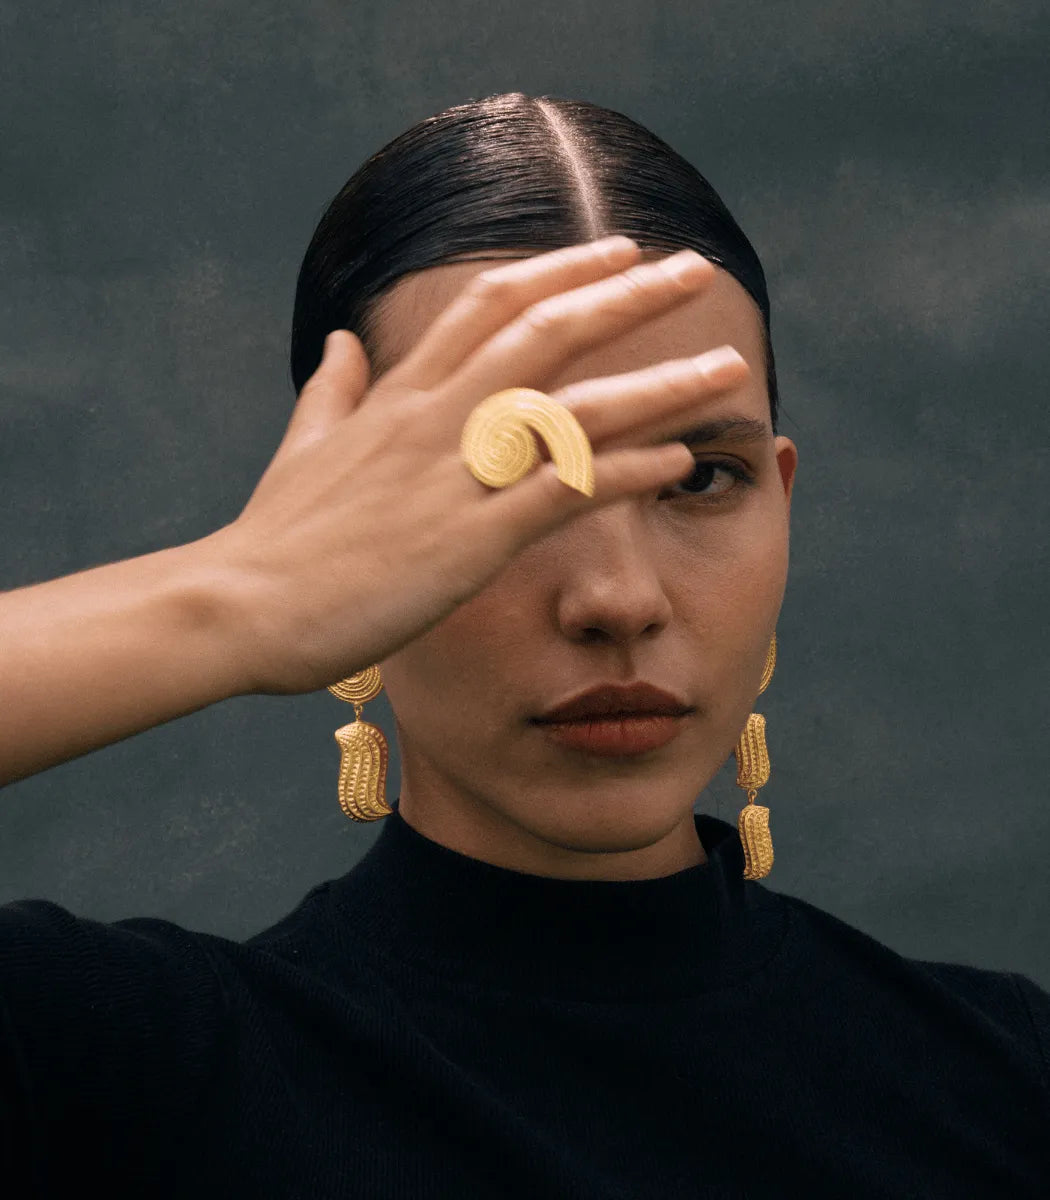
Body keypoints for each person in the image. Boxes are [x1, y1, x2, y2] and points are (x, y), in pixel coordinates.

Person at [1, 91, 1046, 1198]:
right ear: (329, 524)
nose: (619, 597)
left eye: (701, 476)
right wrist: (236, 596)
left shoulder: (1007, 1078)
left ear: (781, 500)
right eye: (500, 479)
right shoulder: (120, 1076)